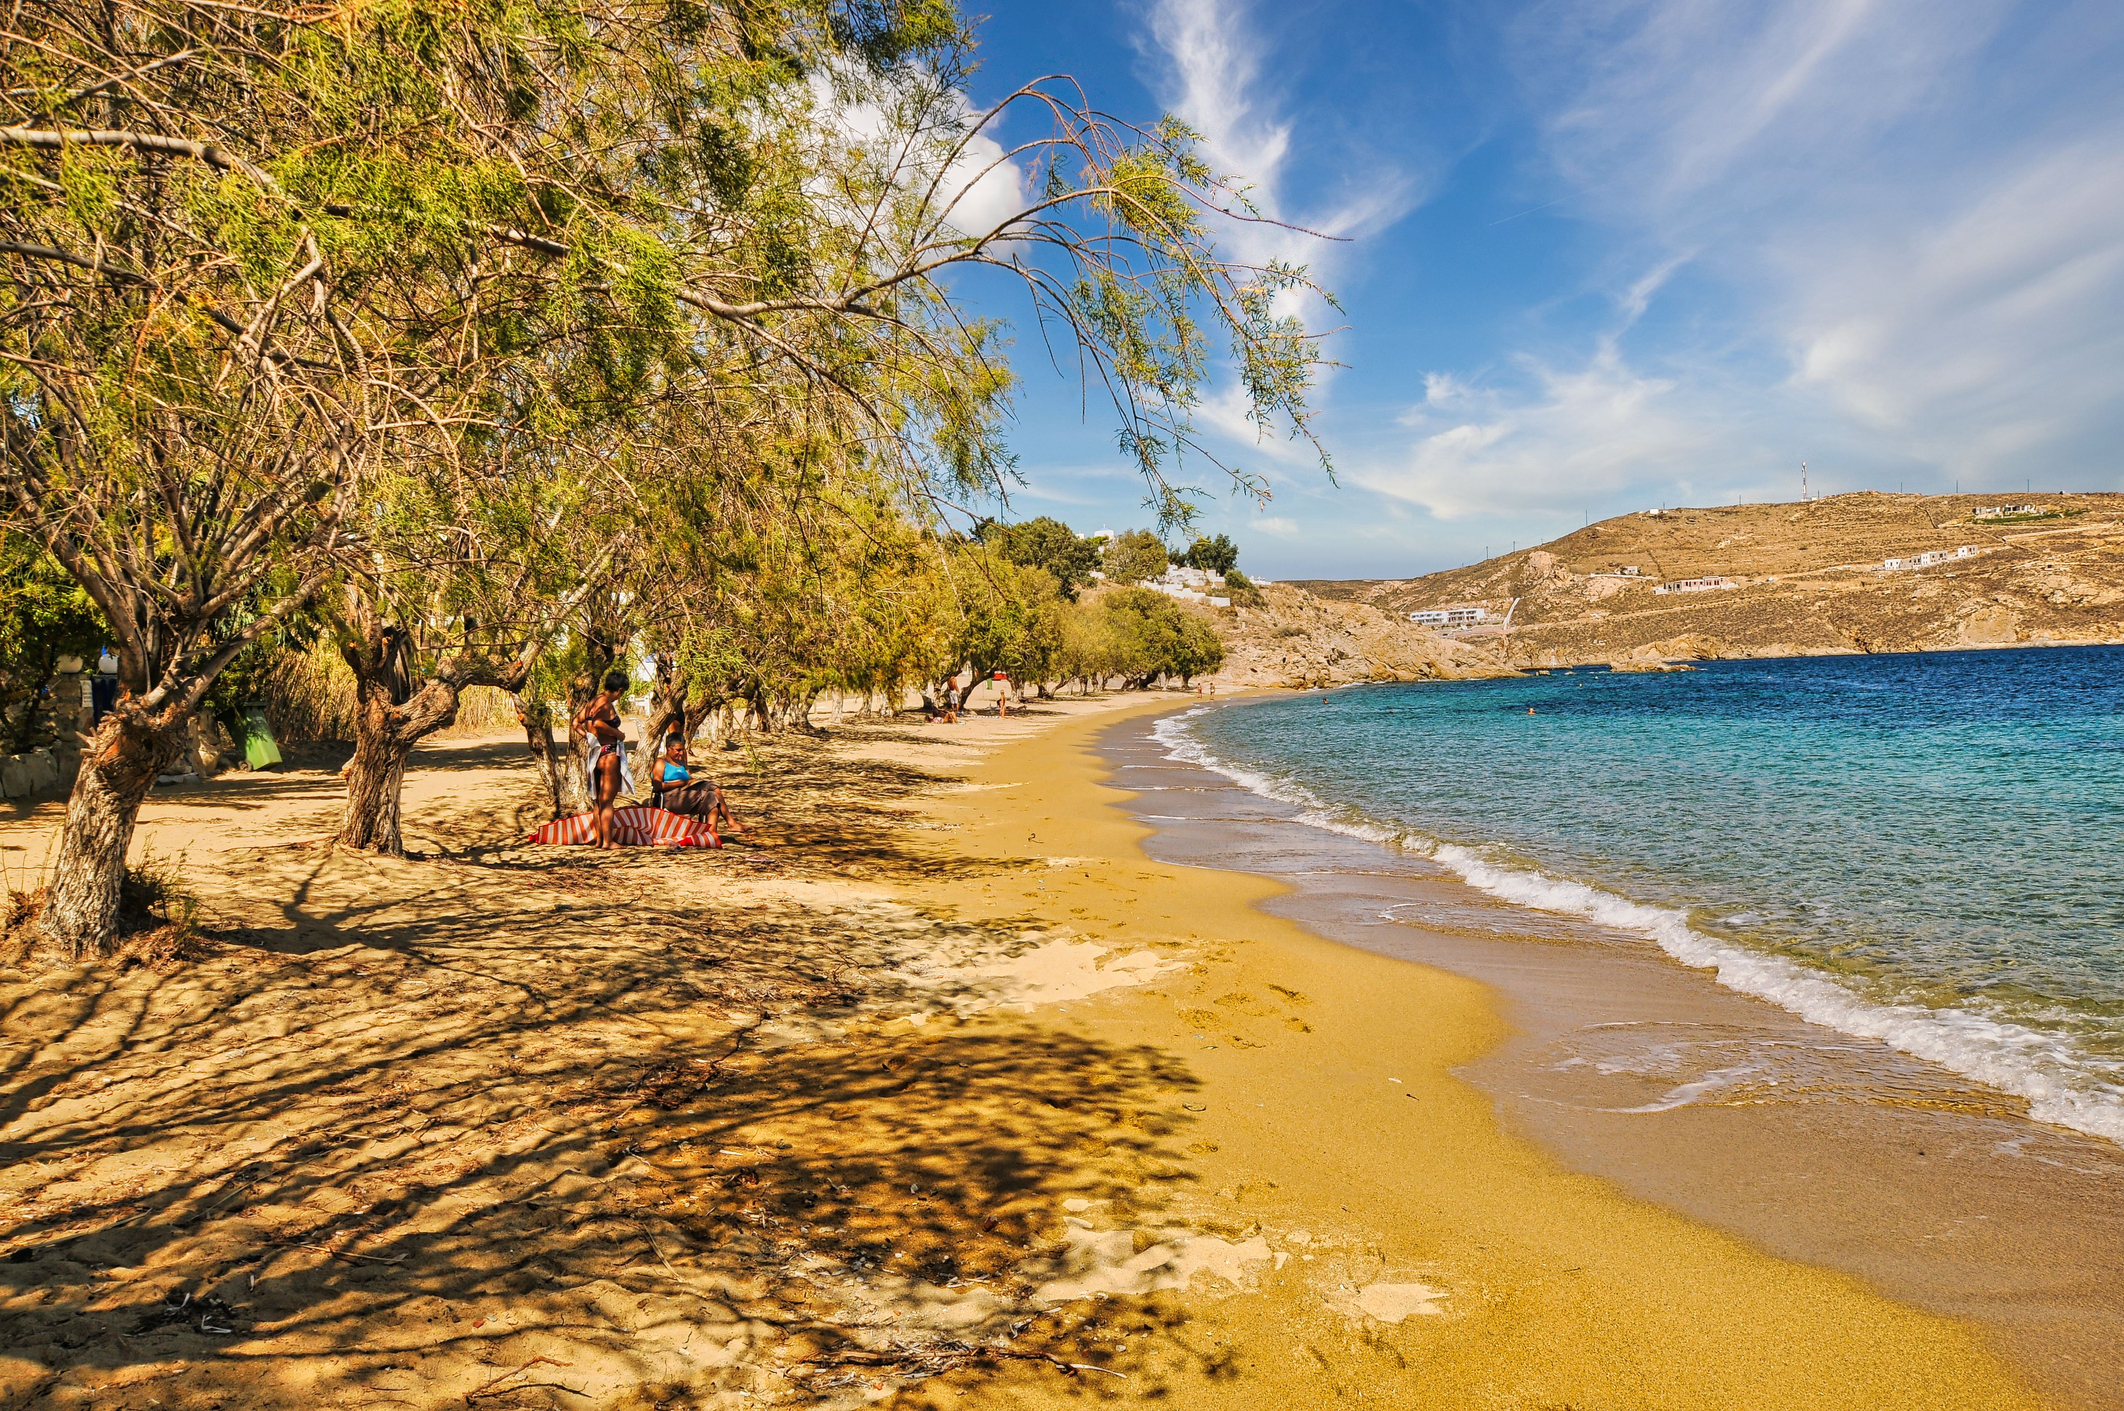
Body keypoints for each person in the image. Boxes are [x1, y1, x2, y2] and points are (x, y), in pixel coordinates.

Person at [571, 670, 633, 849]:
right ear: (619, 690)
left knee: (599, 800)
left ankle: (600, 840)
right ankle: (608, 841)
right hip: (608, 755)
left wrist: (590, 739)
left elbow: (576, 722)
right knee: (607, 801)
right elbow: (598, 723)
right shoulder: (605, 703)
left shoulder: (593, 701)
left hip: (597, 755)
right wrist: (618, 734)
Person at [651, 732, 745, 837]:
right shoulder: (661, 762)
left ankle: (711, 834)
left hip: (688, 796)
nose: (681, 753)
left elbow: (689, 779)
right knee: (712, 786)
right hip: (671, 798)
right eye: (678, 750)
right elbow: (658, 786)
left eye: (683, 750)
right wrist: (682, 783)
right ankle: (731, 822)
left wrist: (691, 782)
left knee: (712, 796)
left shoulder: (681, 763)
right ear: (669, 748)